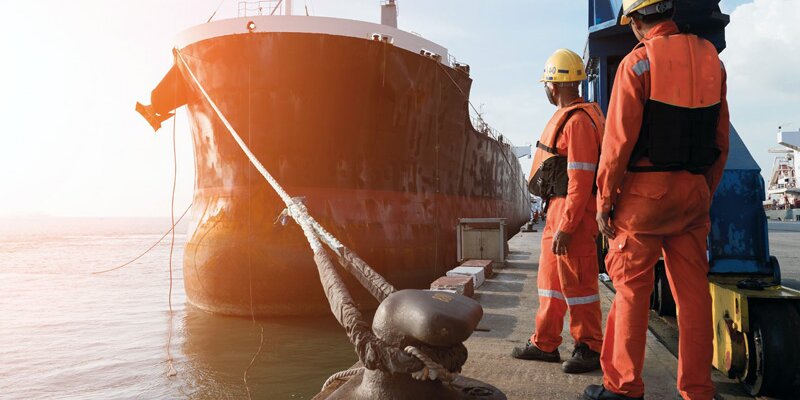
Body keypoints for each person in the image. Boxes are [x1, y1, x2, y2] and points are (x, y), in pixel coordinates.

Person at [583, 1, 730, 399]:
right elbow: (720, 141)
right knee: (694, 295)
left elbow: (617, 144)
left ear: (634, 22)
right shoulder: (710, 59)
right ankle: (699, 389)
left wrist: (605, 202)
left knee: (631, 290)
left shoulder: (638, 64)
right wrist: (704, 190)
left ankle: (624, 387)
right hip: (693, 196)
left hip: (644, 199)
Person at [511, 49, 605, 374]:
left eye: (548, 84)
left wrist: (567, 225)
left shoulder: (578, 122)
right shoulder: (573, 117)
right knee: (550, 281)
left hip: (573, 214)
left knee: (579, 284)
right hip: (558, 209)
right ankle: (545, 343)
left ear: (553, 85)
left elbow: (581, 178)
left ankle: (589, 347)